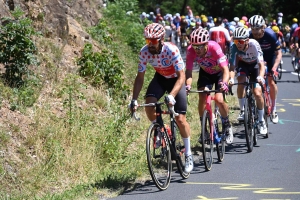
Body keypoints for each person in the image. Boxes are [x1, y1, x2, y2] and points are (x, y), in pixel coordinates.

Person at [129, 23, 194, 173]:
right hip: (161, 78)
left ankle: (188, 153)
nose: (150, 44)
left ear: (161, 39)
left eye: (153, 41)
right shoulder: (144, 52)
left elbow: (182, 76)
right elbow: (140, 78)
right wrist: (134, 99)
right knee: (149, 104)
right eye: (147, 41)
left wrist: (172, 95)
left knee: (180, 119)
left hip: (176, 80)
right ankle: (159, 128)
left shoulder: (171, 50)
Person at [185, 28, 234, 144]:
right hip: (205, 73)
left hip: (219, 74)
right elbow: (188, 72)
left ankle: (227, 124)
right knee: (202, 96)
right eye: (194, 46)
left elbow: (225, 69)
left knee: (219, 99)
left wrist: (225, 83)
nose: (197, 49)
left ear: (206, 44)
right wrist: (187, 85)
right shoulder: (190, 50)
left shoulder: (214, 47)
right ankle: (204, 130)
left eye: (200, 46)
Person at [229, 27, 267, 134]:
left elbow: (261, 64)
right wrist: (231, 78)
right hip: (243, 65)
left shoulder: (254, 44)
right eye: (236, 41)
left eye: (240, 41)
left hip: (255, 66)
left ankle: (261, 120)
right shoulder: (233, 47)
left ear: (247, 40)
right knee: (240, 82)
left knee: (257, 93)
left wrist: (260, 76)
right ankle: (242, 110)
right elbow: (232, 66)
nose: (238, 44)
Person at [249, 15, 282, 124]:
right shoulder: (249, 35)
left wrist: (274, 68)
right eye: (253, 32)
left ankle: (274, 109)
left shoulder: (271, 34)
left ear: (263, 27)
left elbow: (279, 54)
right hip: (257, 58)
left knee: (271, 81)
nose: (256, 34)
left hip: (270, 56)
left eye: (258, 32)